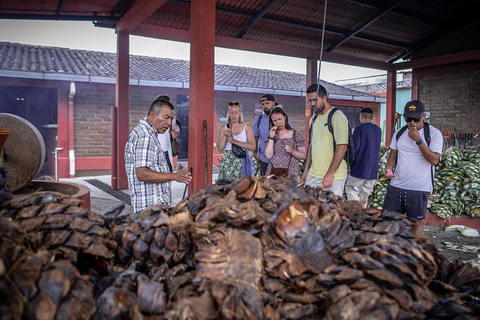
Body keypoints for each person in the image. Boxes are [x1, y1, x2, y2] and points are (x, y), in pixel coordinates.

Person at [383, 100, 442, 238]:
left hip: (419, 187)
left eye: (415, 119)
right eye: (408, 119)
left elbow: (434, 160)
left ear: (423, 116)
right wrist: (389, 168)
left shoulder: (434, 134)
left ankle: (415, 255)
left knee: (415, 224)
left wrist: (418, 141)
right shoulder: (399, 133)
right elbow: (393, 154)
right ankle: (392, 252)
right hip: (397, 184)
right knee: (388, 222)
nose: (411, 123)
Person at [125, 98, 192, 213]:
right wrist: (174, 176)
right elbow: (142, 174)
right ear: (152, 115)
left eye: (171, 119)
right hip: (149, 208)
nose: (169, 123)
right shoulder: (145, 136)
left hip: (154, 206)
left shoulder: (149, 133)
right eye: (166, 117)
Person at [303, 83, 349, 196]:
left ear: (324, 98)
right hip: (313, 175)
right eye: (309, 101)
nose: (312, 104)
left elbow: (342, 147)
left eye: (315, 100)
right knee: (309, 209)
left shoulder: (337, 116)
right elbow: (311, 146)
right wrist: (306, 170)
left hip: (334, 177)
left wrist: (330, 173)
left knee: (331, 211)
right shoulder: (313, 119)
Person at [345, 107, 382, 204]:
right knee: (363, 197)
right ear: (372, 117)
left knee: (350, 189)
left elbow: (354, 149)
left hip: (360, 167)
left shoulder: (358, 129)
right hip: (373, 170)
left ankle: (356, 212)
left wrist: (350, 163)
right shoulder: (378, 130)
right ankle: (361, 214)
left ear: (361, 116)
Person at [253, 94, 292, 175]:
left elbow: (291, 137)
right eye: (263, 104)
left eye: (267, 103)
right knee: (265, 185)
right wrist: (255, 154)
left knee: (280, 185)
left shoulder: (285, 120)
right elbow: (255, 138)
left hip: (281, 160)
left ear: (273, 103)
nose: (265, 106)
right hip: (264, 159)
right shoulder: (259, 120)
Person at [217, 101, 257, 181]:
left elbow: (253, 146)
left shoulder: (247, 127)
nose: (234, 115)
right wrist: (224, 135)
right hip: (228, 160)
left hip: (242, 159)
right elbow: (220, 149)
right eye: (231, 112)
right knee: (226, 186)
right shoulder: (223, 128)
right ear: (228, 114)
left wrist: (234, 141)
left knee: (242, 185)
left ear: (239, 113)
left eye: (236, 112)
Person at [265, 107, 306, 176]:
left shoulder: (296, 134)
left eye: (280, 119)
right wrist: (271, 137)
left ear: (285, 117)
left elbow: (304, 156)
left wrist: (292, 151)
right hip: (275, 170)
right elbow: (269, 155)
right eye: (275, 121)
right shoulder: (271, 134)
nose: (278, 122)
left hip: (291, 170)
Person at [155, 94, 181, 172]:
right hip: (158, 148)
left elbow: (176, 130)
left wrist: (175, 133)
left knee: (166, 172)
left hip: (163, 147)